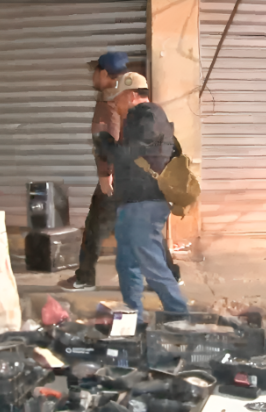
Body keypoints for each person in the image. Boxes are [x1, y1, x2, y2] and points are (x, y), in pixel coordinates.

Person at [60, 52, 180, 292]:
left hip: (118, 175)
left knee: (96, 227)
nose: (93, 77)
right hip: (130, 175)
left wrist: (106, 174)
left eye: (95, 72)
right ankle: (170, 274)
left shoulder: (111, 101)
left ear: (104, 74)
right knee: (144, 228)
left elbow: (114, 136)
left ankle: (85, 277)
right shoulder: (124, 96)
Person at [102, 72, 188, 320]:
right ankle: (133, 317)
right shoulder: (140, 118)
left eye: (117, 99)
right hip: (131, 203)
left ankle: (180, 317)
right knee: (126, 263)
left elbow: (131, 153)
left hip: (145, 203)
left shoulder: (149, 116)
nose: (115, 106)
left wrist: (107, 146)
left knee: (152, 266)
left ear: (130, 95)